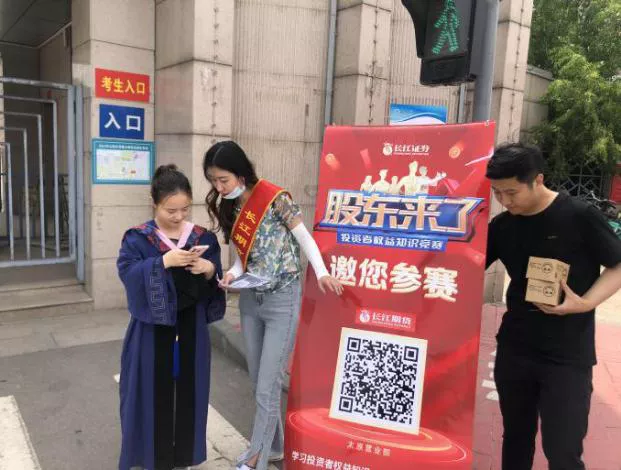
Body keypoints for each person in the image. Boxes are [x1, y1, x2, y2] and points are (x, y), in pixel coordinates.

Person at [202, 140, 343, 470]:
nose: (218, 188)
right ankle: (276, 447)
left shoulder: (275, 198)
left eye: (223, 180)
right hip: (251, 300)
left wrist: (322, 272)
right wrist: (233, 275)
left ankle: (256, 458)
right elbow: (243, 259)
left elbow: (304, 238)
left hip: (282, 301)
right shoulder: (233, 207)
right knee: (258, 383)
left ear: (240, 173)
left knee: (267, 385)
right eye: (213, 181)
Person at [485, 143, 621, 470]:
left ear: (538, 180)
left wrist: (586, 303)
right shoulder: (502, 226)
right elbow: (466, 266)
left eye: (512, 192)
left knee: (562, 449)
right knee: (516, 437)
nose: (504, 201)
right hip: (515, 347)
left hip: (567, 354)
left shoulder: (579, 216)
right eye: (497, 193)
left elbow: (618, 264)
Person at [117, 164, 225, 470]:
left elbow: (215, 278)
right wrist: (162, 262)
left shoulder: (203, 237)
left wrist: (209, 269)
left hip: (192, 328)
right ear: (154, 202)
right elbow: (128, 273)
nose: (179, 217)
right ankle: (153, 457)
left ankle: (184, 456)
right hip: (152, 331)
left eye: (185, 209)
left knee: (190, 391)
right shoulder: (138, 239)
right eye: (171, 210)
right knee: (150, 394)